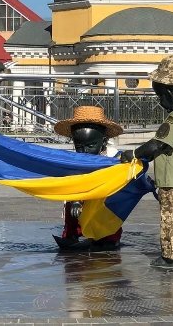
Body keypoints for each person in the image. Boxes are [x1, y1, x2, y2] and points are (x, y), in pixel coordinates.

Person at [120, 55, 173, 269]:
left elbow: (157, 144)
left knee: (170, 219)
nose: (159, 101)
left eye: (160, 96)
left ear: (170, 93)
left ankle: (170, 259)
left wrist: (134, 154)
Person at [52, 105, 125, 251]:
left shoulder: (114, 159)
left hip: (104, 205)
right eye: (79, 146)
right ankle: (71, 235)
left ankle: (108, 237)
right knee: (71, 204)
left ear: (103, 142)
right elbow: (76, 182)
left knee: (106, 210)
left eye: (91, 145)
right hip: (80, 201)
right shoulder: (75, 161)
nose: (84, 151)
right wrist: (77, 200)